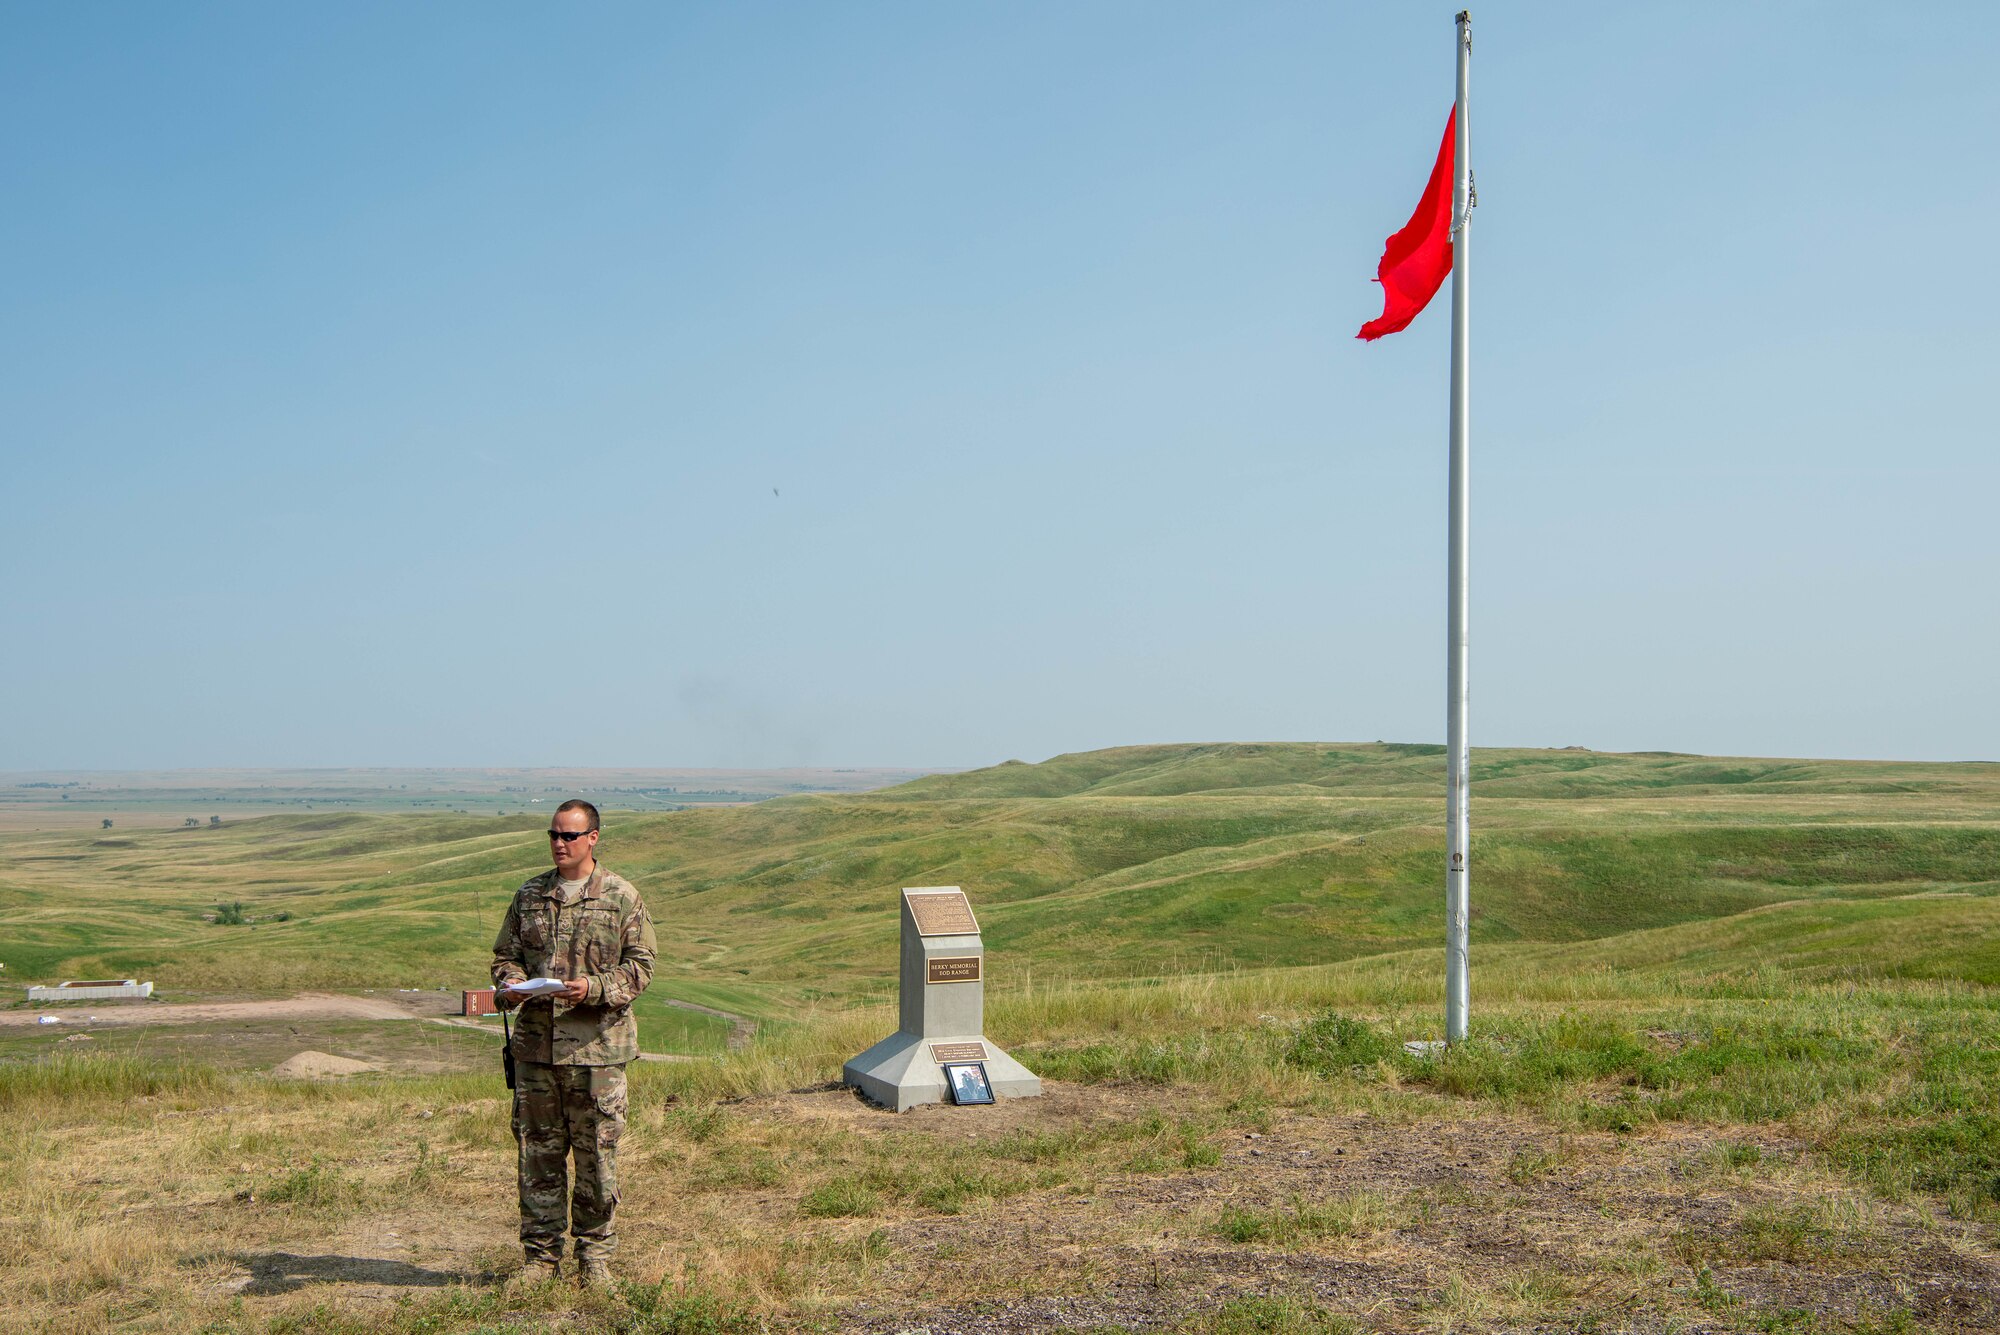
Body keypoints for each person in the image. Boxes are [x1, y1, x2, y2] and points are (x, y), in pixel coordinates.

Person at [492, 798, 657, 1288]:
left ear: (593, 838)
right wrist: (512, 983)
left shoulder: (622, 897)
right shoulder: (529, 896)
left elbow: (641, 966)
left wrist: (596, 988)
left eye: (569, 835)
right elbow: (505, 956)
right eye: (554, 835)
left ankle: (595, 1257)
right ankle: (540, 1259)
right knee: (538, 1157)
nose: (559, 844)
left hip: (597, 1052)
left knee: (596, 1157)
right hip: (537, 1052)